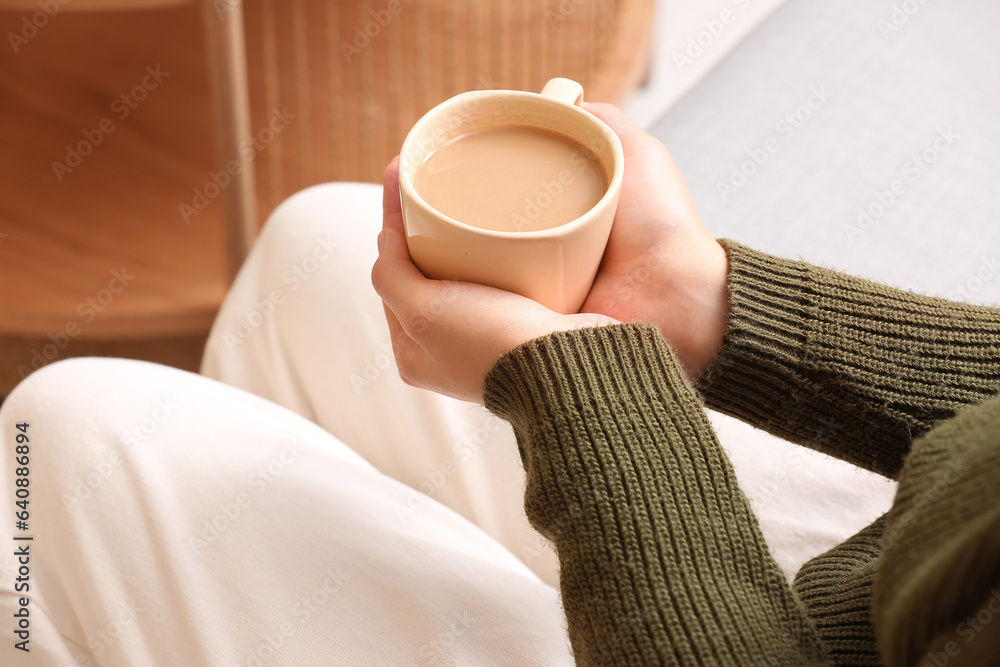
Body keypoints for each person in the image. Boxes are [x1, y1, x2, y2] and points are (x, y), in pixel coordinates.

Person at [1, 102, 996, 666]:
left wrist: (582, 397)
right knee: (320, 243)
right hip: (915, 553)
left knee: (49, 444)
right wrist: (716, 310)